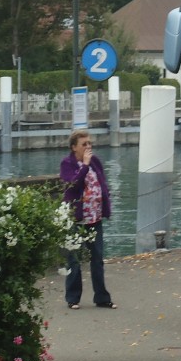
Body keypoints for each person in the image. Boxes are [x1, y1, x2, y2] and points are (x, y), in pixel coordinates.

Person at [60, 130, 117, 310]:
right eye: (84, 144)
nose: (88, 147)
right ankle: (73, 298)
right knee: (74, 260)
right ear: (74, 147)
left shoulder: (96, 161)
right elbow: (73, 184)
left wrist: (105, 200)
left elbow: (102, 182)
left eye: (89, 143)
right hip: (77, 219)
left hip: (94, 217)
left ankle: (102, 297)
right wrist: (84, 165)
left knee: (97, 258)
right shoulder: (67, 164)